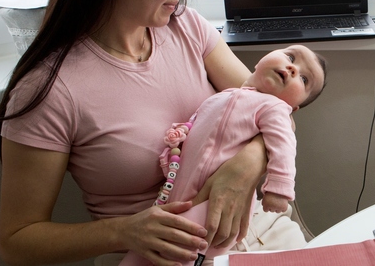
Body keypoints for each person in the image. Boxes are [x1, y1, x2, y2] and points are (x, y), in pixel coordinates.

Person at [0, 0, 305, 266]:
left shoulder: (188, 29)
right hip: (155, 257)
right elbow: (17, 241)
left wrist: (247, 166)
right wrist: (124, 230)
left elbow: (277, 111)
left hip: (259, 233)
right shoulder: (51, 90)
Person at [121, 45, 327, 265]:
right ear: (259, 62)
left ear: (293, 107)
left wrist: (279, 189)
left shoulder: (274, 107)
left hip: (214, 203)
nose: (293, 68)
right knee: (148, 249)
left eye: (305, 79)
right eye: (290, 56)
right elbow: (197, 124)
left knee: (183, 248)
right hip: (180, 191)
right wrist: (178, 137)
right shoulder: (222, 96)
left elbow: (284, 145)